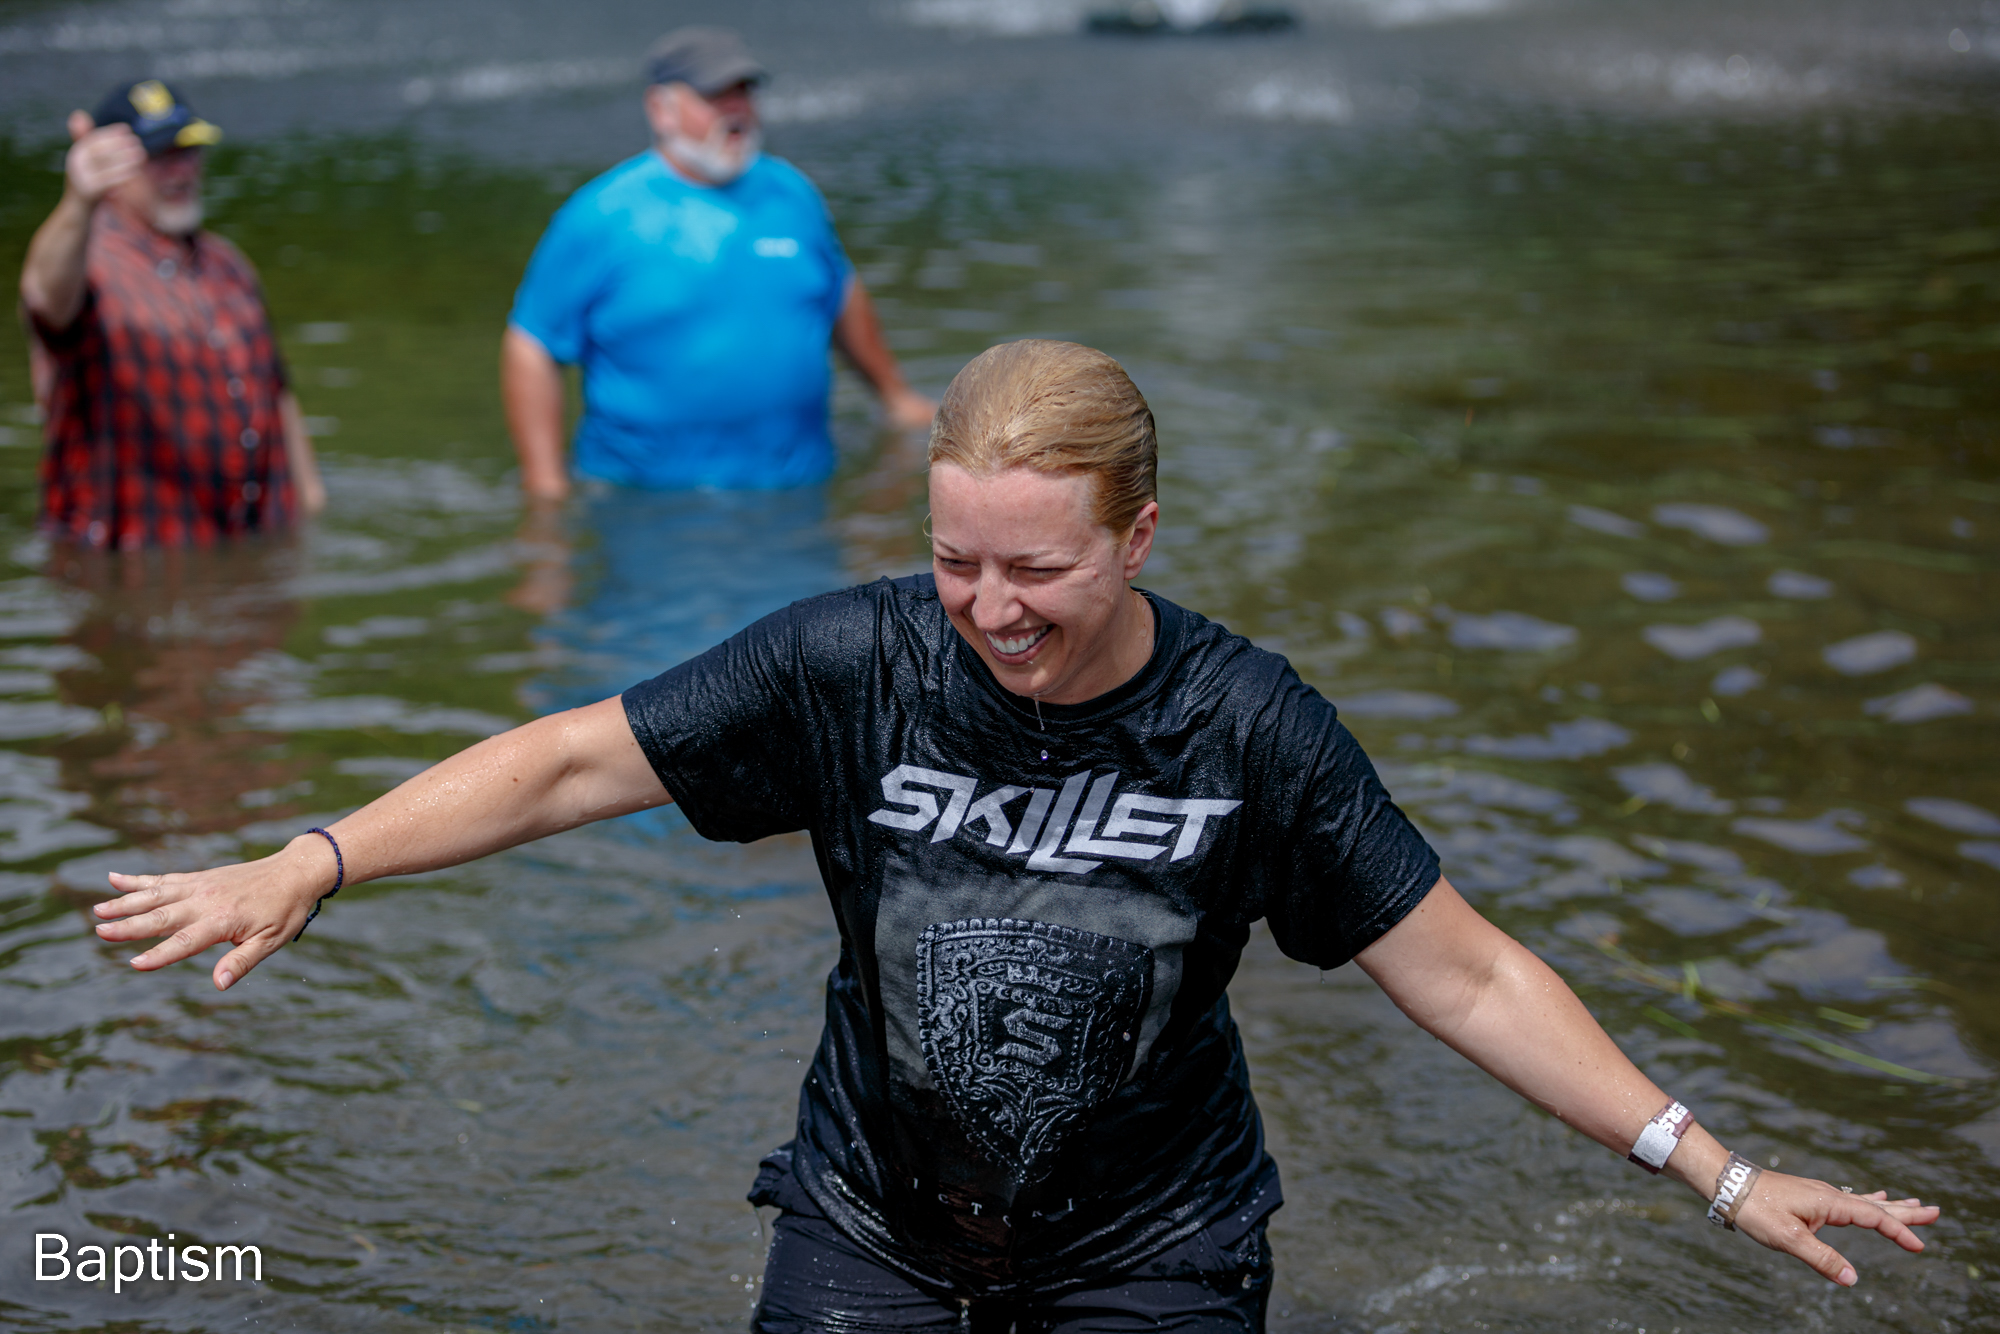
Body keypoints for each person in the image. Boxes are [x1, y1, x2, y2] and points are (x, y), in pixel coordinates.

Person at [94, 341, 1936, 1328]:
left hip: (1156, 1241)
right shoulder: (853, 658)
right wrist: (311, 854)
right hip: (871, 1222)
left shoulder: (1249, 722)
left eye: (1036, 564)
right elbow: (577, 758)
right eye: (955, 553)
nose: (985, 601)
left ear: (1140, 536)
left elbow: (1458, 965)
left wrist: (1713, 1162)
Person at [502, 26, 934, 501]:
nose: (736, 110)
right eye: (715, 96)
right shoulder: (601, 214)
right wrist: (544, 482)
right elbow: (532, 342)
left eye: (744, 94)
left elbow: (838, 290)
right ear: (660, 109)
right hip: (648, 501)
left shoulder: (791, 193)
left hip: (798, 489)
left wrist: (894, 397)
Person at [18, 80, 326, 550]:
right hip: (128, 561)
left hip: (247, 550)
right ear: (111, 168)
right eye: (158, 157)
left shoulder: (227, 263)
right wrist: (77, 201)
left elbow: (277, 390)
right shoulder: (90, 262)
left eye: (189, 150)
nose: (180, 170)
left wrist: (311, 499)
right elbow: (44, 294)